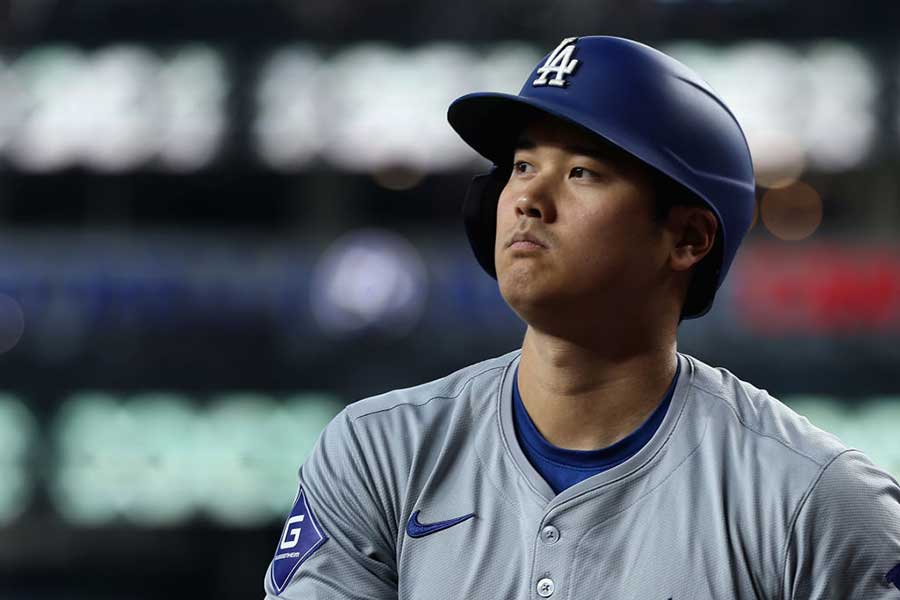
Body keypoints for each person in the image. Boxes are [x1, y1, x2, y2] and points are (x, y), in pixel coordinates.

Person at [264, 36, 900, 599]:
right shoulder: (379, 454)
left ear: (688, 239)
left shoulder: (814, 499)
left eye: (581, 171)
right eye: (521, 166)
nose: (528, 200)